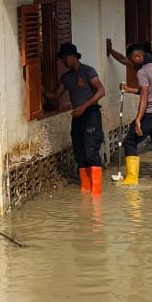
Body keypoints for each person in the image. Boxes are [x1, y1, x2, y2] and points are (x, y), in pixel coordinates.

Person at [46, 44, 106, 195]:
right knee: (79, 153)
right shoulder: (65, 77)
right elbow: (55, 96)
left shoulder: (88, 71)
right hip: (77, 117)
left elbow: (101, 91)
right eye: (61, 60)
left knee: (91, 151)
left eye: (65, 58)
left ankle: (96, 192)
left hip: (91, 114)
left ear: (73, 56)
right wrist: (39, 90)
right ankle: (85, 192)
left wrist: (84, 107)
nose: (63, 62)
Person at [116, 43, 152, 185]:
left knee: (129, 142)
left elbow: (145, 97)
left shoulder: (142, 71)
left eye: (131, 59)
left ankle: (131, 179)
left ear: (139, 56)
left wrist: (138, 119)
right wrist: (129, 89)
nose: (131, 62)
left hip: (151, 114)